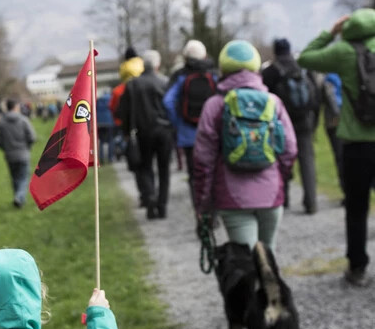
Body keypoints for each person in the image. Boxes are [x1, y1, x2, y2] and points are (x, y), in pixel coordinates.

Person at [193, 40, 297, 250]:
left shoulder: (214, 105)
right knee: (268, 256)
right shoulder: (273, 102)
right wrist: (280, 179)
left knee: (246, 261)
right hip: (270, 195)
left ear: (223, 68)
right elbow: (290, 149)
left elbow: (203, 160)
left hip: (233, 198)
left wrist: (203, 204)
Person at [298, 9, 375, 286]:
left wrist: (330, 33)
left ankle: (357, 268)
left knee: (356, 209)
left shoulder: (343, 52)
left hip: (355, 144)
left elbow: (305, 58)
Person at [262, 38, 319, 214]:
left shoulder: (270, 72)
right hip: (304, 123)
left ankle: (283, 198)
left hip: (280, 123)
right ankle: (311, 202)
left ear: (275, 52)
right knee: (307, 162)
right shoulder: (302, 68)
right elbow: (316, 97)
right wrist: (314, 123)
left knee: (281, 159)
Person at [118, 50, 174, 219]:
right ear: (157, 65)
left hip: (142, 132)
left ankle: (150, 198)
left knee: (145, 167)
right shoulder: (165, 82)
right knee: (164, 169)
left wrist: (126, 132)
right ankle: (162, 205)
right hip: (164, 131)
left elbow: (124, 112)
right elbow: (172, 107)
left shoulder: (132, 85)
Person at [164, 40, 219, 208]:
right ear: (205, 55)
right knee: (214, 171)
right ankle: (214, 208)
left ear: (185, 56)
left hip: (188, 134)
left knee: (194, 174)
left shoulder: (181, 76)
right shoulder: (213, 74)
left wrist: (178, 122)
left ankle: (199, 210)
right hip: (211, 132)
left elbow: (168, 101)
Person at [0, 99, 37, 208]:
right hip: (23, 153)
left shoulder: (1, 122)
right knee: (23, 178)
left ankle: (19, 200)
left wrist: (5, 148)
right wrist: (27, 147)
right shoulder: (23, 120)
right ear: (16, 107)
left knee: (15, 178)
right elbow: (32, 137)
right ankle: (19, 197)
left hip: (10, 155)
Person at [321, 72, 345, 195]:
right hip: (349, 121)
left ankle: (345, 189)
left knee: (340, 156)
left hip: (334, 122)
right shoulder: (344, 75)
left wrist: (337, 115)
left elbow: (331, 98)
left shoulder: (329, 78)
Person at [96, 90, 116, 164]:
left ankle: (101, 158)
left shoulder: (99, 100)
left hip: (100, 123)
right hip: (109, 121)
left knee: (101, 141)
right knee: (110, 140)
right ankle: (110, 157)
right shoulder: (111, 98)